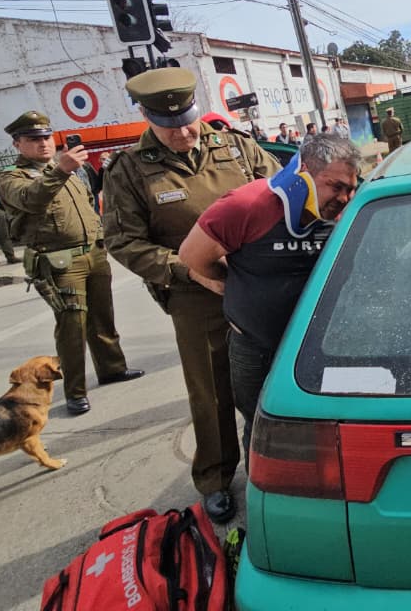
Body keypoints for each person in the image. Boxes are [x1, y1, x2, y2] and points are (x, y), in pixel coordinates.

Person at [103, 67, 280, 523]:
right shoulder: (129, 170)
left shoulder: (238, 147)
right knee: (212, 390)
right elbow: (124, 242)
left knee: (278, 377)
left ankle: (280, 464)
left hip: (260, 284)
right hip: (194, 295)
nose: (183, 133)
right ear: (146, 117)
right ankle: (215, 478)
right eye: (169, 126)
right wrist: (191, 271)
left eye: (187, 121)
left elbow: (285, 196)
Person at [179, 135, 359, 466]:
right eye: (335, 186)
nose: (344, 197)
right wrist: (232, 285)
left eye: (350, 188)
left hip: (325, 347)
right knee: (264, 430)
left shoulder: (346, 212)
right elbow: (192, 255)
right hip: (256, 347)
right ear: (304, 173)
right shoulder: (246, 205)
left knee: (324, 427)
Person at [0, 111, 140, 416]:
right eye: (33, 139)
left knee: (103, 318)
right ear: (17, 144)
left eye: (46, 138)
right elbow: (31, 199)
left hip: (93, 252)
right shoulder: (12, 177)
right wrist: (61, 170)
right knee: (72, 327)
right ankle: (75, 390)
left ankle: (112, 368)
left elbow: (89, 204)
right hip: (60, 261)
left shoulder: (69, 169)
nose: (43, 144)